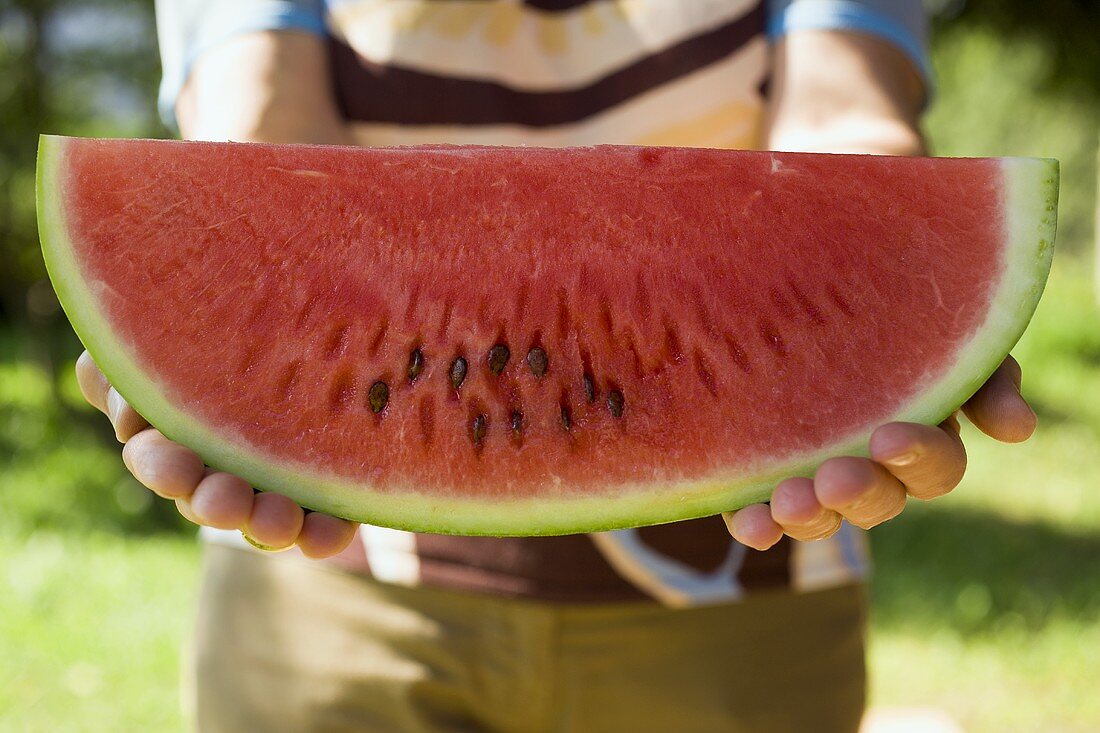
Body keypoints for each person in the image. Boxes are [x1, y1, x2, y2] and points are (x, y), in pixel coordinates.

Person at [78, 1, 1038, 730]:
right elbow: (259, 124)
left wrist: (904, 283)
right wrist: (200, 335)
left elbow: (842, 111)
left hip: (746, 584)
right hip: (330, 581)